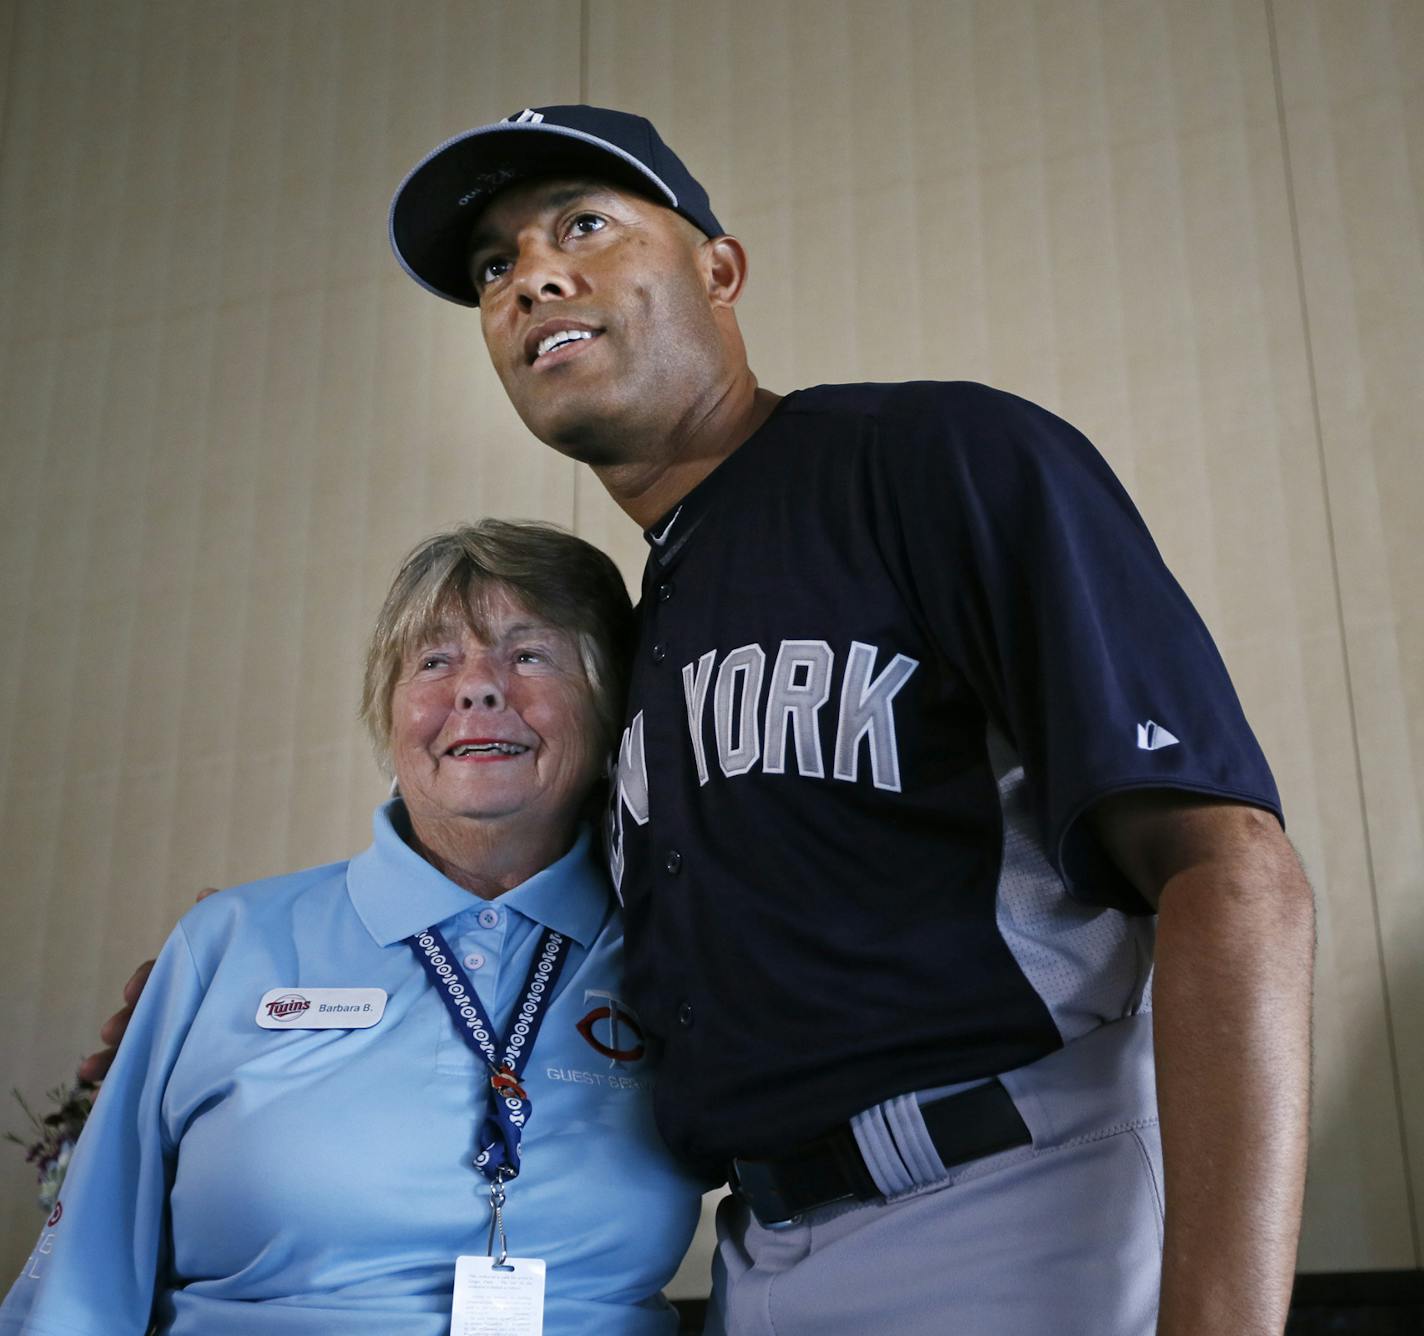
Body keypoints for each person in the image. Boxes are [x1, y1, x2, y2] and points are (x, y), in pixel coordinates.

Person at [89, 106, 1316, 1335]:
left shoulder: (930, 457)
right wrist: (229, 994)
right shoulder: (642, 627)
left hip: (1016, 1199)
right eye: (494, 266)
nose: (533, 277)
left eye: (583, 223)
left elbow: (1232, 877)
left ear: (718, 268)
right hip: (756, 1257)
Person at [5, 520, 704, 1336]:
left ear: (610, 702)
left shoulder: (674, 949)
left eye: (528, 655)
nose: (477, 689)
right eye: (435, 661)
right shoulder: (227, 943)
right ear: (389, 710)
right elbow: (80, 1288)